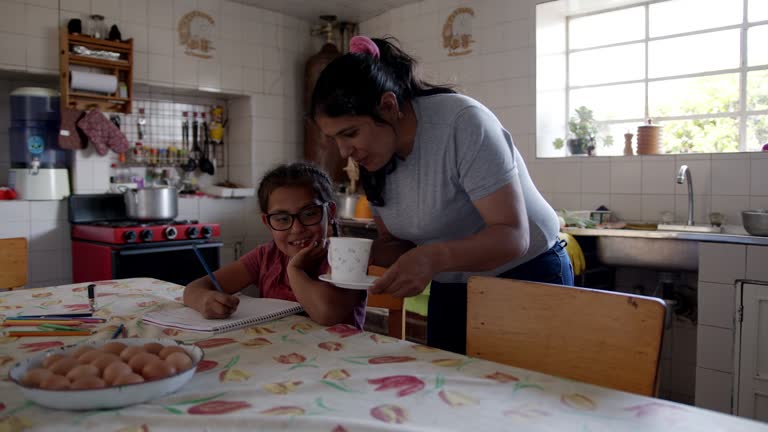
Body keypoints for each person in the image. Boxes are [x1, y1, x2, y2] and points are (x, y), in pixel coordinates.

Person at [309, 36, 573, 354]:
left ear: (389, 106)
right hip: (452, 283)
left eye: (350, 133)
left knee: (522, 396)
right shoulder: (375, 156)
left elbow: (513, 236)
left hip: (527, 273)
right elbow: (398, 244)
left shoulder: (462, 123)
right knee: (451, 389)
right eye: (335, 138)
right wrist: (341, 255)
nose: (344, 151)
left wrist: (433, 257)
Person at [183, 162, 366, 328]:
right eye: (282, 219)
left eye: (309, 214)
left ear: (331, 212)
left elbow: (327, 314)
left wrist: (295, 270)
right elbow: (194, 288)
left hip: (338, 360)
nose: (296, 228)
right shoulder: (265, 256)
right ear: (267, 222)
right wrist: (205, 300)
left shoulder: (348, 257)